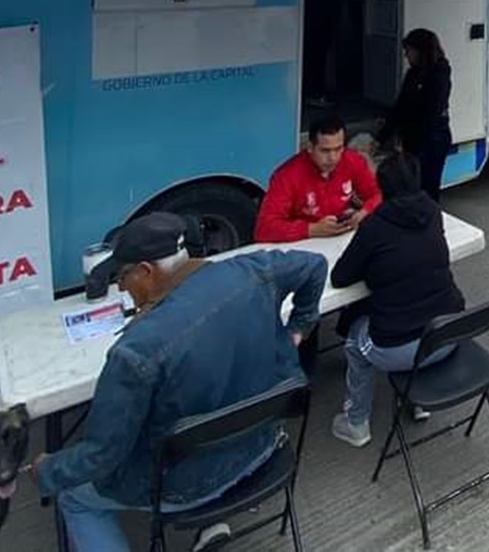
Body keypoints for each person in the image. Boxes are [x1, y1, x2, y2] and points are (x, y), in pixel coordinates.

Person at [31, 213, 327, 552]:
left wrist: (46, 471)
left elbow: (102, 456)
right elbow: (315, 265)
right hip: (263, 446)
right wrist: (299, 328)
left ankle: (204, 516)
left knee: (74, 496)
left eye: (122, 277)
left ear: (146, 270)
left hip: (183, 487)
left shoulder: (134, 353)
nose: (122, 288)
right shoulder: (251, 271)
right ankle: (212, 524)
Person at [327, 152, 465, 447]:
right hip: (449, 334)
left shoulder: (375, 227)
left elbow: (340, 277)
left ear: (382, 188)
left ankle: (356, 424)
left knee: (354, 340)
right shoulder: (432, 210)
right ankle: (418, 401)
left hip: (404, 347)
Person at [254, 114, 382, 243]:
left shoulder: (353, 160)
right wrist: (311, 229)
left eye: (338, 149)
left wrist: (365, 212)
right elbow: (264, 229)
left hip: (344, 235)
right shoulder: (286, 176)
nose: (333, 158)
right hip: (304, 242)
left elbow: (379, 194)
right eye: (325, 151)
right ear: (310, 147)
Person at [376, 28, 453, 201]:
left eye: (409, 51)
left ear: (420, 51)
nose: (406, 56)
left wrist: (416, 143)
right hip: (414, 138)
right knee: (410, 185)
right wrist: (382, 137)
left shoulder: (439, 74)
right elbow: (400, 107)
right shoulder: (413, 74)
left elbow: (432, 113)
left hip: (433, 139)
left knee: (428, 186)